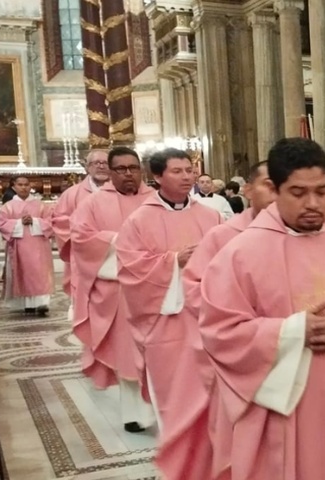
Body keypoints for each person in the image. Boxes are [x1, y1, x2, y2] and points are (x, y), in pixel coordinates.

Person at [198, 138, 325, 480]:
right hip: (285, 409)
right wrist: (293, 332)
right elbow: (220, 330)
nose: (313, 203)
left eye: (323, 191)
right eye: (298, 192)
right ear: (274, 189)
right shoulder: (242, 253)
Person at [155, 160, 275, 480]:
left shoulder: (311, 235)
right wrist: (240, 323)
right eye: (269, 185)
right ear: (248, 190)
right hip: (237, 353)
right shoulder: (224, 235)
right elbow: (195, 290)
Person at [116, 148, 223, 431]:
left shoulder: (211, 216)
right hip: (164, 317)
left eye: (189, 170)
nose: (187, 177)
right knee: (172, 383)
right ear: (158, 176)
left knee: (209, 383)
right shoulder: (140, 220)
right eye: (177, 171)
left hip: (205, 313)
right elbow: (129, 266)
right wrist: (174, 261)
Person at [69, 147, 155, 432]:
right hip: (118, 293)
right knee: (129, 355)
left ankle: (166, 411)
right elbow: (81, 239)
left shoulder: (156, 200)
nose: (128, 174)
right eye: (121, 169)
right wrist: (120, 241)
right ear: (111, 171)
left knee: (159, 353)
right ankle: (135, 414)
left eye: (133, 167)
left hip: (155, 290)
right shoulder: (94, 203)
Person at [52, 149, 109, 303]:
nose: (101, 166)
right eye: (96, 163)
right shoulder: (72, 194)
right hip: (84, 255)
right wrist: (87, 237)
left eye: (105, 163)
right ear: (87, 167)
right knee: (85, 301)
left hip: (114, 252)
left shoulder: (122, 191)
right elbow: (59, 221)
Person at [0, 176, 54, 315]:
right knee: (23, 273)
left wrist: (34, 221)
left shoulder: (40, 205)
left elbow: (51, 222)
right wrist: (19, 223)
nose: (23, 187)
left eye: (26, 184)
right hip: (18, 246)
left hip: (39, 246)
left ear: (30, 186)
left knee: (40, 273)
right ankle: (26, 304)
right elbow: (1, 224)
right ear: (14, 187)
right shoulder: (8, 206)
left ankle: (42, 303)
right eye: (20, 185)